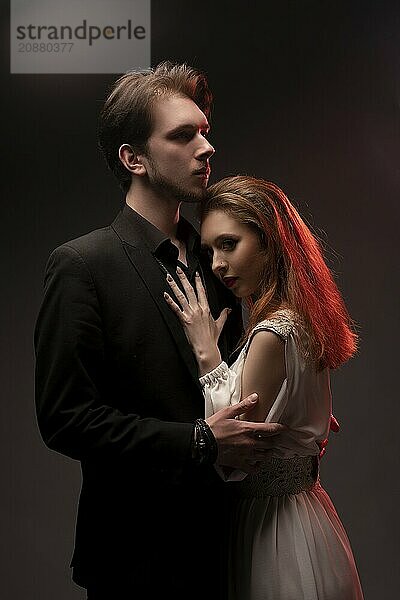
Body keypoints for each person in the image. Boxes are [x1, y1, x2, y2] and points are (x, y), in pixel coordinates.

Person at [34, 63, 288, 599]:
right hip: (135, 560)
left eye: (204, 130)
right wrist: (197, 442)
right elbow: (64, 418)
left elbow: (233, 384)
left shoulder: (217, 260)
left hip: (229, 547)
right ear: (134, 158)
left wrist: (293, 406)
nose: (206, 147)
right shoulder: (82, 265)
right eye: (183, 134)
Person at [164, 175, 364, 599]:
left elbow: (233, 453)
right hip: (307, 516)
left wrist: (207, 354)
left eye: (229, 244)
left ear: (270, 241)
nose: (217, 264)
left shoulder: (272, 333)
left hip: (273, 527)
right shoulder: (302, 319)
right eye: (210, 250)